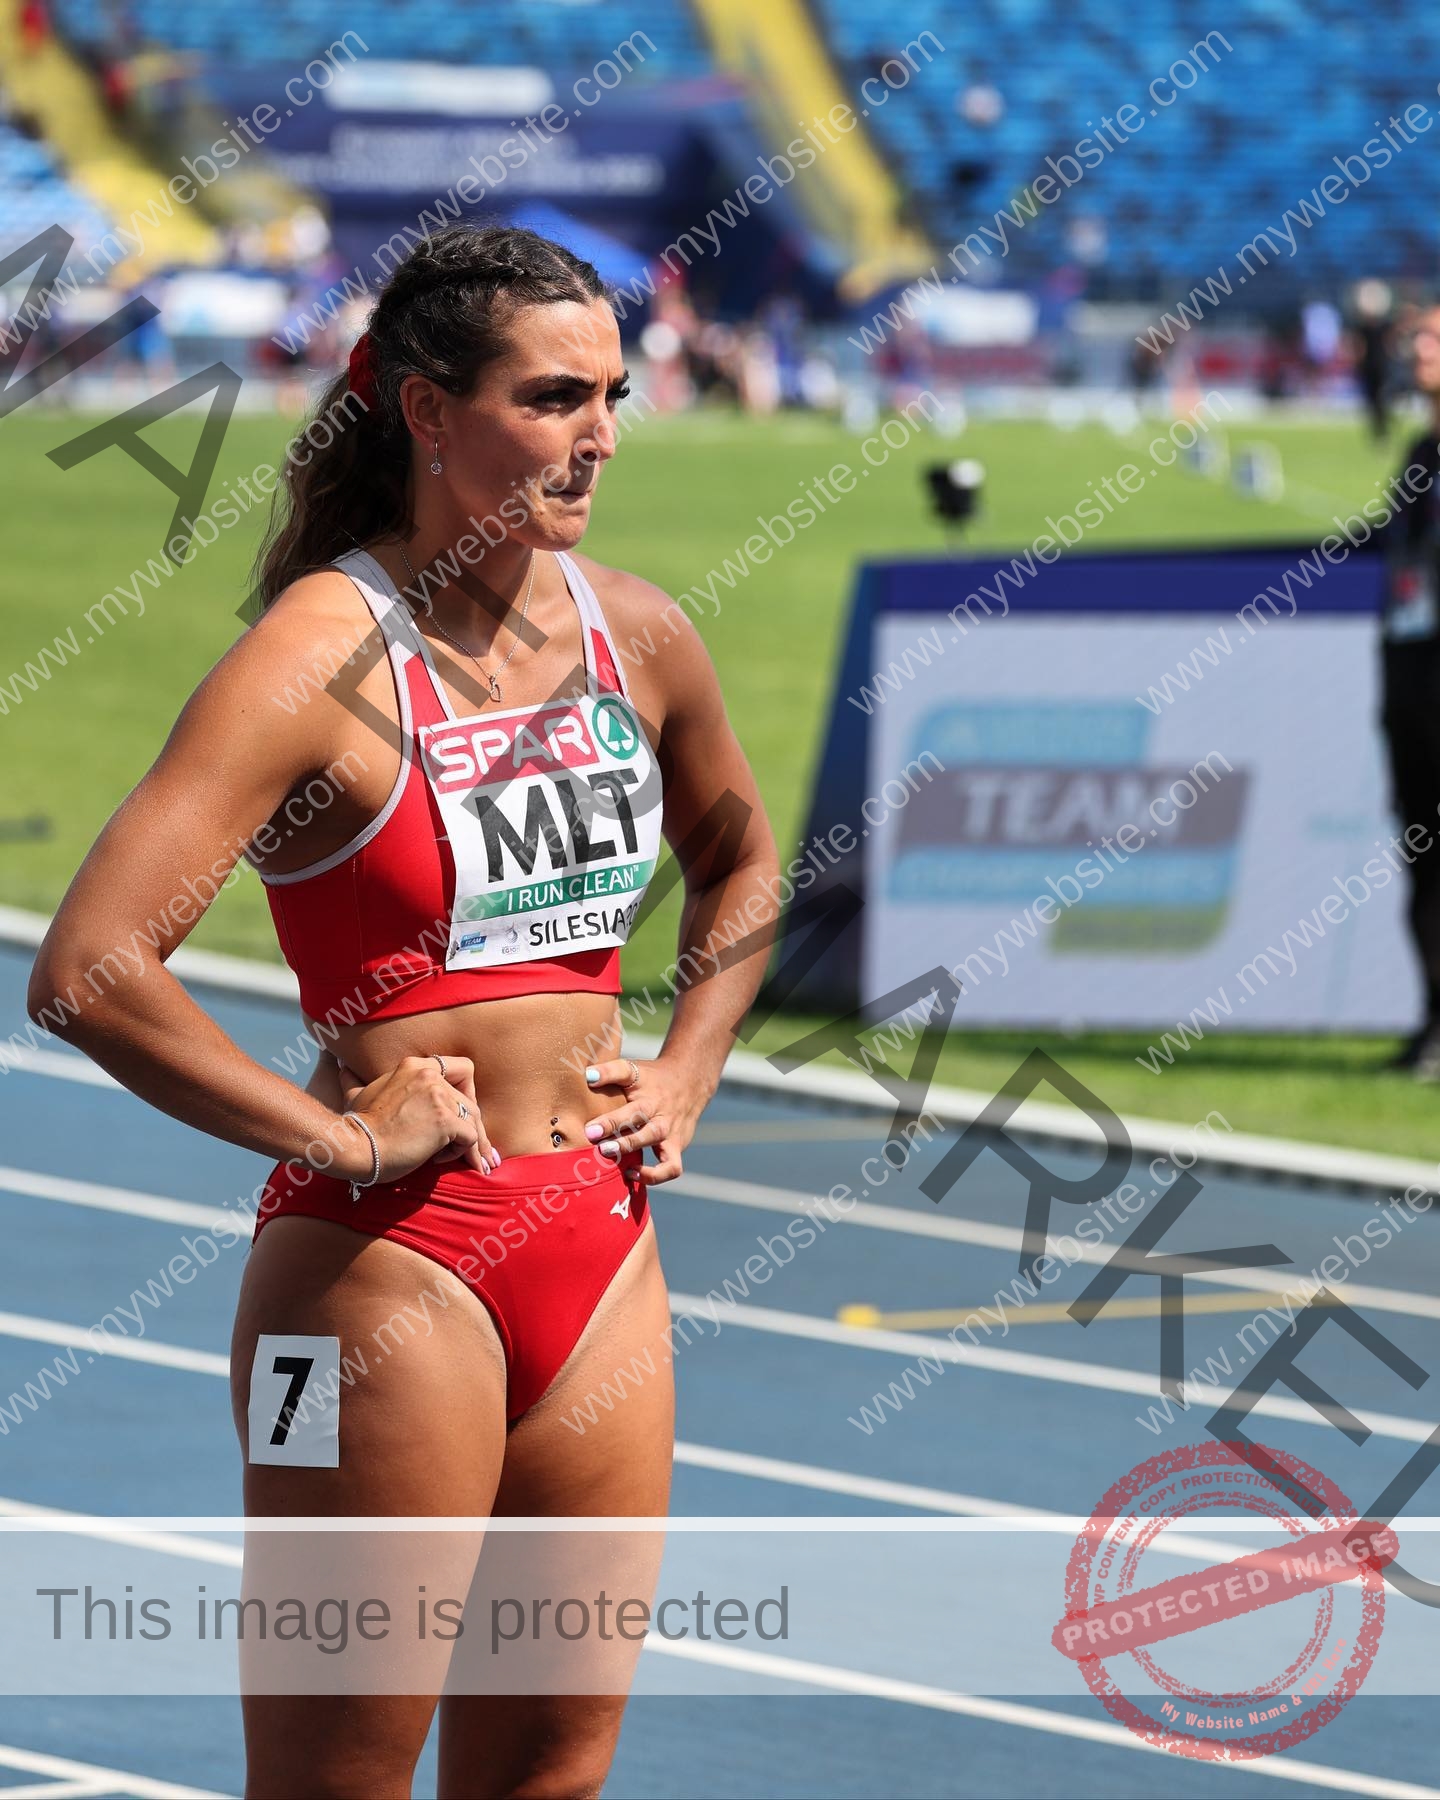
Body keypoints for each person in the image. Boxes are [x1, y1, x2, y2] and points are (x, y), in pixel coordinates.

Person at [26, 223, 779, 1794]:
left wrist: (692, 1074)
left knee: (553, 1769)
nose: (601, 437)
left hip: (600, 1248)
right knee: (338, 1777)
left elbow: (744, 861)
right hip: (384, 1274)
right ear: (428, 413)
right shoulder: (317, 651)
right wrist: (333, 1138)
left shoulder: (633, 631)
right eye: (555, 396)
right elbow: (91, 967)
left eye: (613, 395)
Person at [1377, 302, 1440, 1074]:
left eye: (1431, 338)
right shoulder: (1421, 451)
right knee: (1423, 855)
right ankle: (1433, 1022)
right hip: (1411, 671)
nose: (1418, 348)